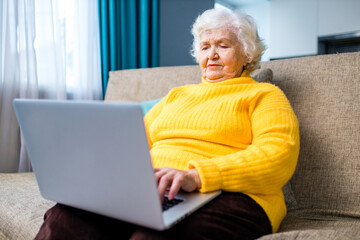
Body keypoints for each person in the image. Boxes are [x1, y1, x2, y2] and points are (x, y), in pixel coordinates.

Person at [35, 8, 299, 240]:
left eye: (223, 46)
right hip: (157, 191)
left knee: (155, 234)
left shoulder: (264, 95)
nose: (212, 55)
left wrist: (196, 176)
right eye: (205, 47)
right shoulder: (177, 96)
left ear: (247, 54)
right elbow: (131, 144)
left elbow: (278, 155)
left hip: (232, 195)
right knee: (67, 217)